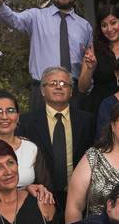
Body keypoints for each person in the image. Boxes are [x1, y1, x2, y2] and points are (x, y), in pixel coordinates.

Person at [0, 0, 93, 110]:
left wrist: (88, 88)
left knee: (75, 131)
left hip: (74, 93)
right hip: (42, 92)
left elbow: (88, 61)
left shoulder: (85, 26)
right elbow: (14, 19)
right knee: (39, 131)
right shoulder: (36, 17)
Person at [17, 67, 96, 207]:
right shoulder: (26, 123)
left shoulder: (87, 121)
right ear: (42, 90)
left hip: (79, 195)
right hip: (40, 196)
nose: (59, 87)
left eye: (64, 84)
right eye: (53, 83)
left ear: (71, 91)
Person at [76, 6, 119, 117]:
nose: (109, 29)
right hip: (99, 108)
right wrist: (90, 69)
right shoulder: (93, 52)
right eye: (104, 25)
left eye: (113, 23)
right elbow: (82, 88)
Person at [0, 89, 49, 188]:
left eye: (10, 111)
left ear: (18, 116)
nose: (4, 117)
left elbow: (46, 189)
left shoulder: (31, 148)